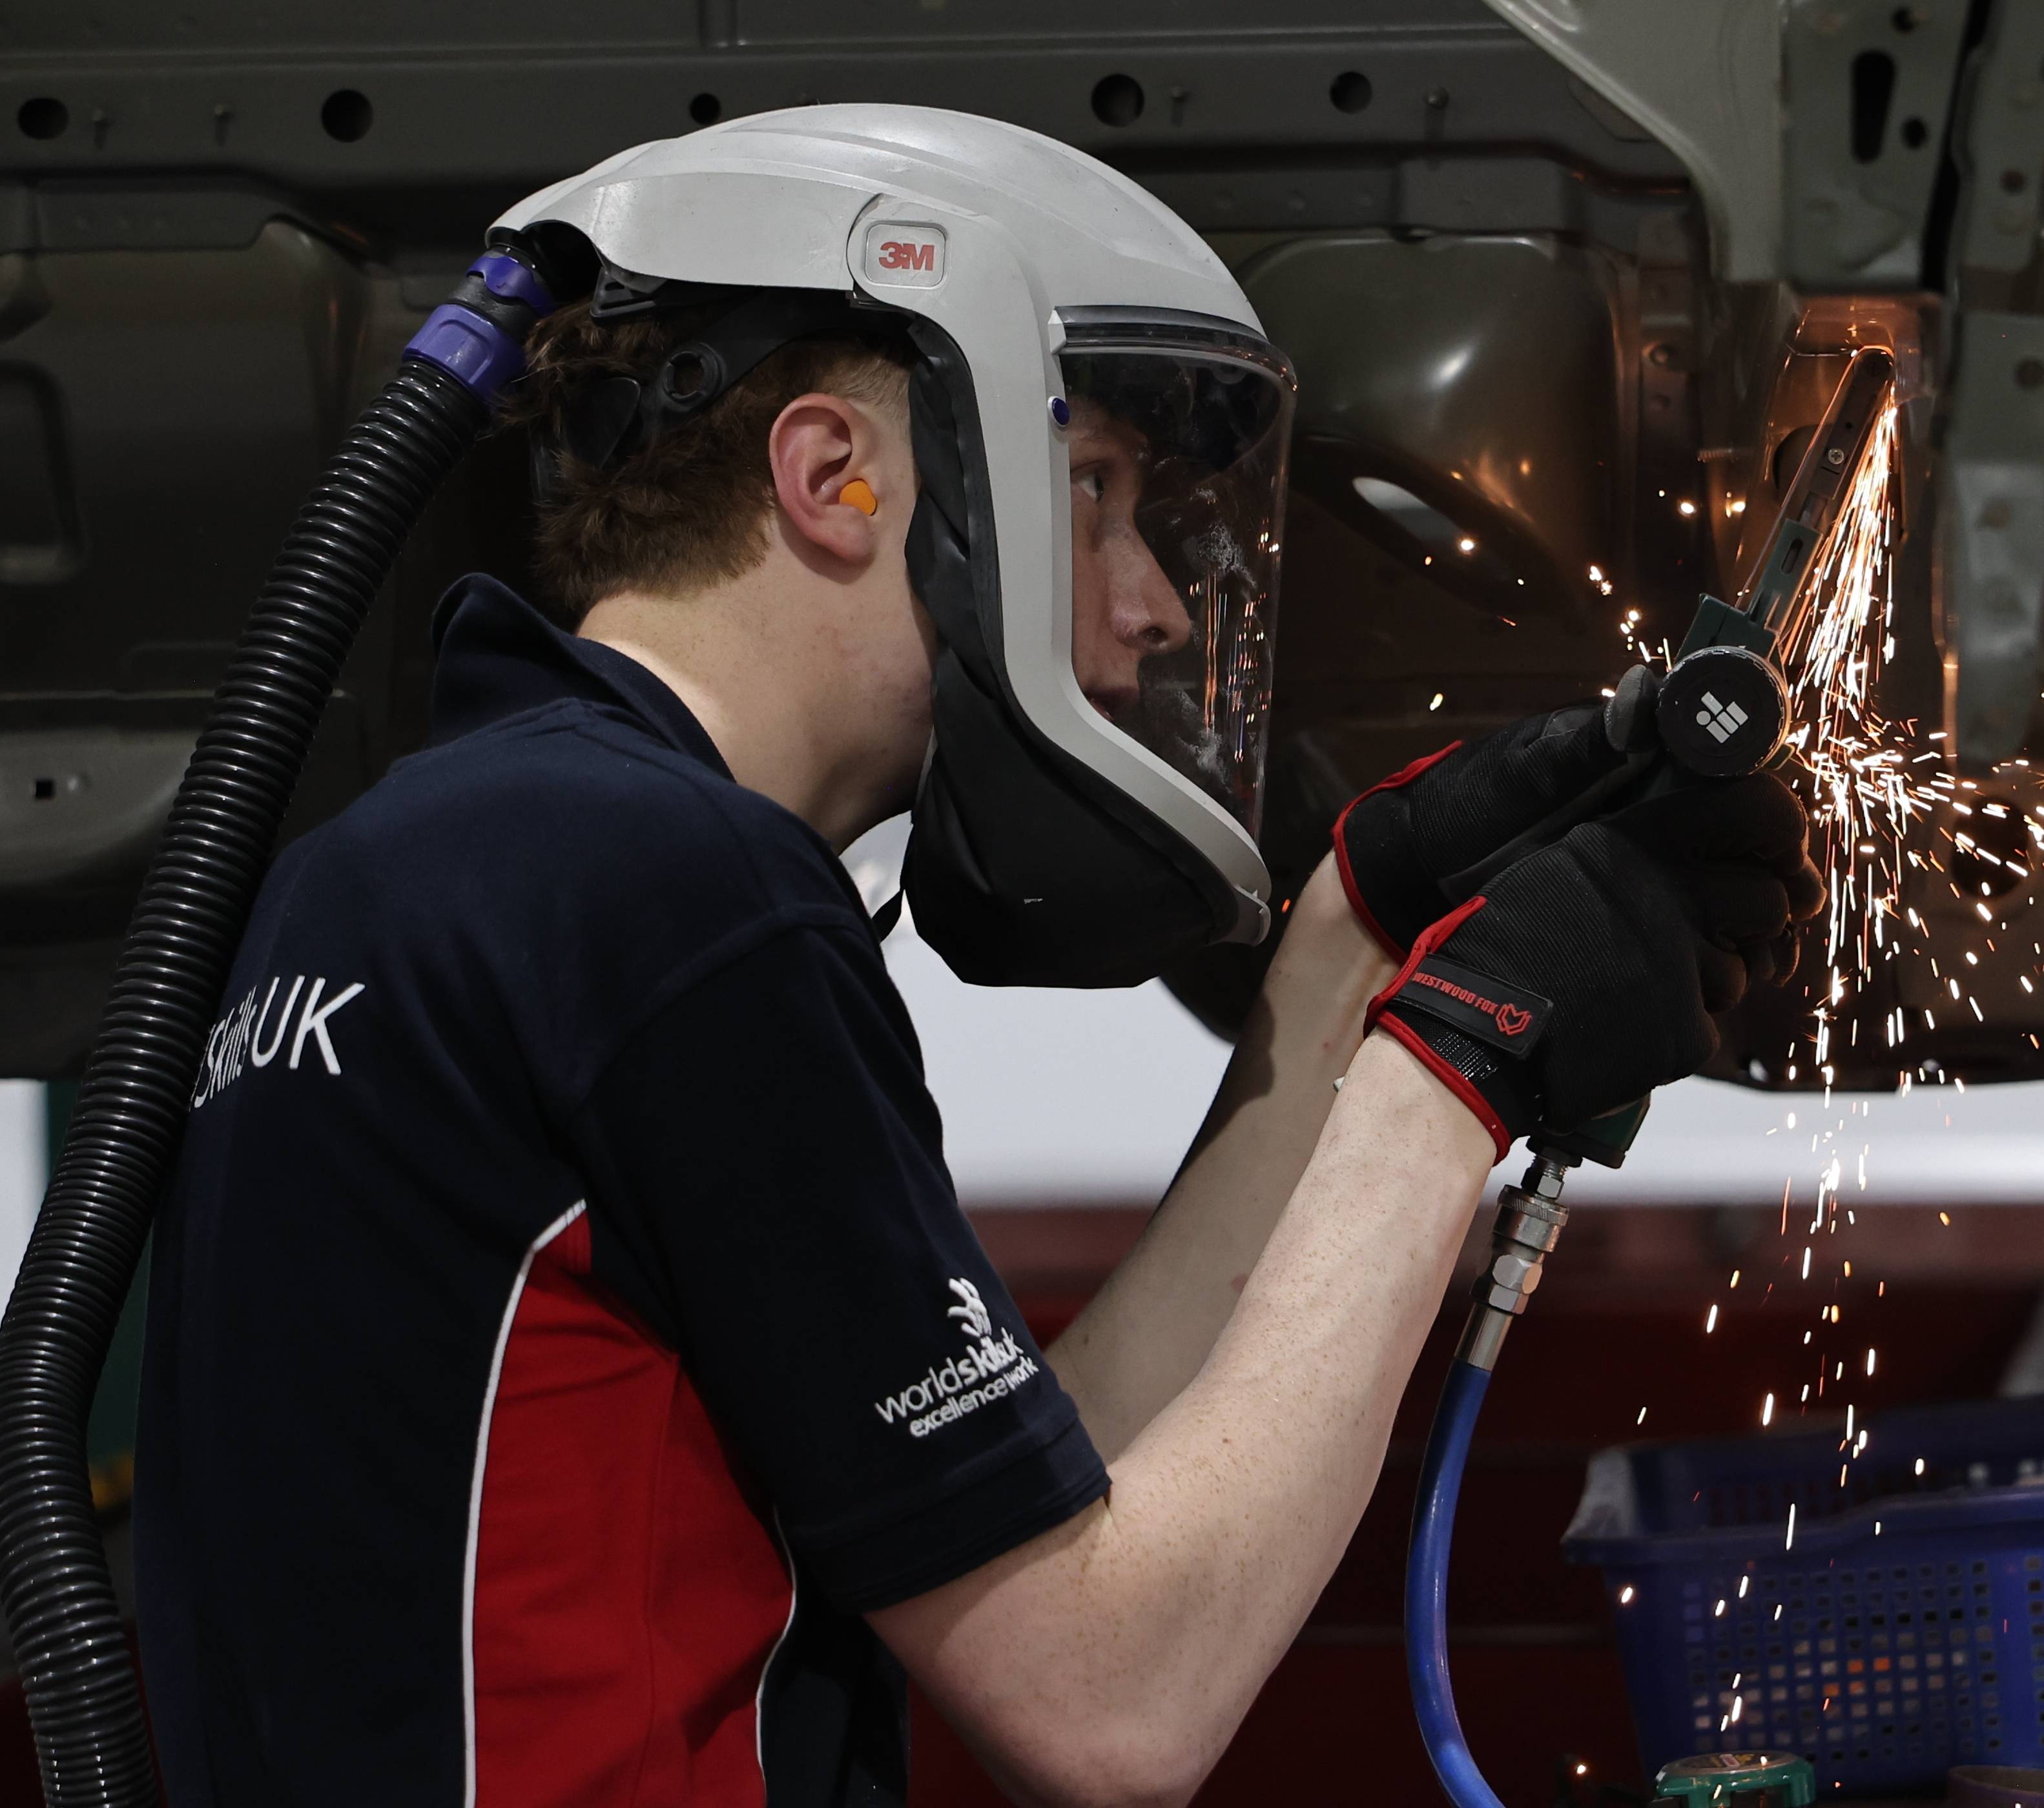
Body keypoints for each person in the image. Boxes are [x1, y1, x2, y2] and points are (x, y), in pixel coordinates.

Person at [132, 105, 1817, 1807]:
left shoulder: (411, 873)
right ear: (832, 480)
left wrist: (1346, 954)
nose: (1155, 604)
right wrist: (1460, 1067)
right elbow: (1114, 1704)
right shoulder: (679, 897)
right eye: (1096, 493)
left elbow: (1021, 1533)